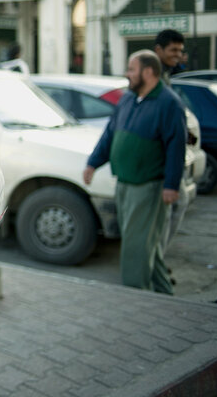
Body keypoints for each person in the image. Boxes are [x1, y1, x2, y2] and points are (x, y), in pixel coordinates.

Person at [83, 50, 186, 295]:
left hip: (149, 187)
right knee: (146, 246)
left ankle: (135, 297)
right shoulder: (128, 99)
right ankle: (164, 296)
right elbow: (110, 135)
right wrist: (93, 163)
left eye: (131, 69)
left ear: (148, 72)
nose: (127, 74)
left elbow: (176, 147)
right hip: (125, 184)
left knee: (135, 246)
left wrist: (172, 185)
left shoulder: (169, 103)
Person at [153, 29, 189, 266]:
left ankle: (158, 260)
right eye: (173, 50)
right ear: (159, 50)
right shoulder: (151, 75)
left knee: (175, 207)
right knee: (165, 212)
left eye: (180, 50)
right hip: (157, 157)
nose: (178, 55)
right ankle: (156, 263)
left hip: (167, 154)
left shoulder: (165, 74)